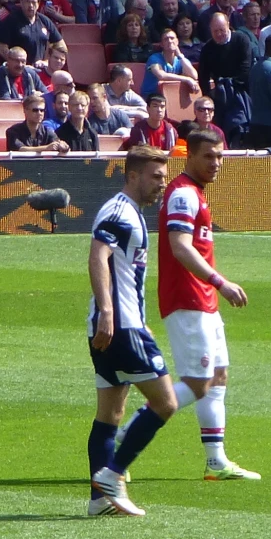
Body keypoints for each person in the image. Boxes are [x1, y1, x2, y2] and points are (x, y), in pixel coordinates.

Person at [86, 146, 185, 517]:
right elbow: (98, 256)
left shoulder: (131, 213)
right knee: (166, 402)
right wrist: (108, 313)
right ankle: (112, 476)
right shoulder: (118, 211)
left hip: (120, 324)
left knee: (109, 414)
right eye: (156, 177)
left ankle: (99, 500)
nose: (162, 184)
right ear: (133, 175)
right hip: (121, 327)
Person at [159, 126, 258, 482]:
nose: (217, 163)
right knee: (199, 381)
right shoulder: (183, 195)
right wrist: (221, 282)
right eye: (209, 157)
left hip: (203, 300)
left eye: (220, 156)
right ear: (190, 156)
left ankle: (216, 461)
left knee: (218, 378)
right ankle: (124, 435)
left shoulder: (196, 192)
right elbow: (180, 246)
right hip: (187, 298)